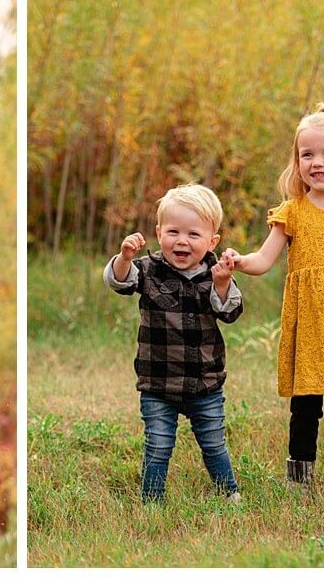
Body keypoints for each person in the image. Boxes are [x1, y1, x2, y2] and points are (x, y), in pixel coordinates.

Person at [222, 103, 324, 497]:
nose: (317, 162)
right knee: (305, 405)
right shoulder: (292, 213)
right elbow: (264, 259)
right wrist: (238, 261)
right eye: (307, 154)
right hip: (310, 322)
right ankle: (299, 479)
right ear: (296, 162)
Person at [105, 183, 244, 503]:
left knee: (213, 442)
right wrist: (124, 258)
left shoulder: (217, 273)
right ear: (158, 232)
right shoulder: (149, 269)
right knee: (158, 444)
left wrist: (222, 285)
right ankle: (152, 501)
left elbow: (231, 312)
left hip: (204, 384)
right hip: (157, 384)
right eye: (173, 232)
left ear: (213, 241)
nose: (182, 241)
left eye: (194, 235)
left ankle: (228, 495)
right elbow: (119, 282)